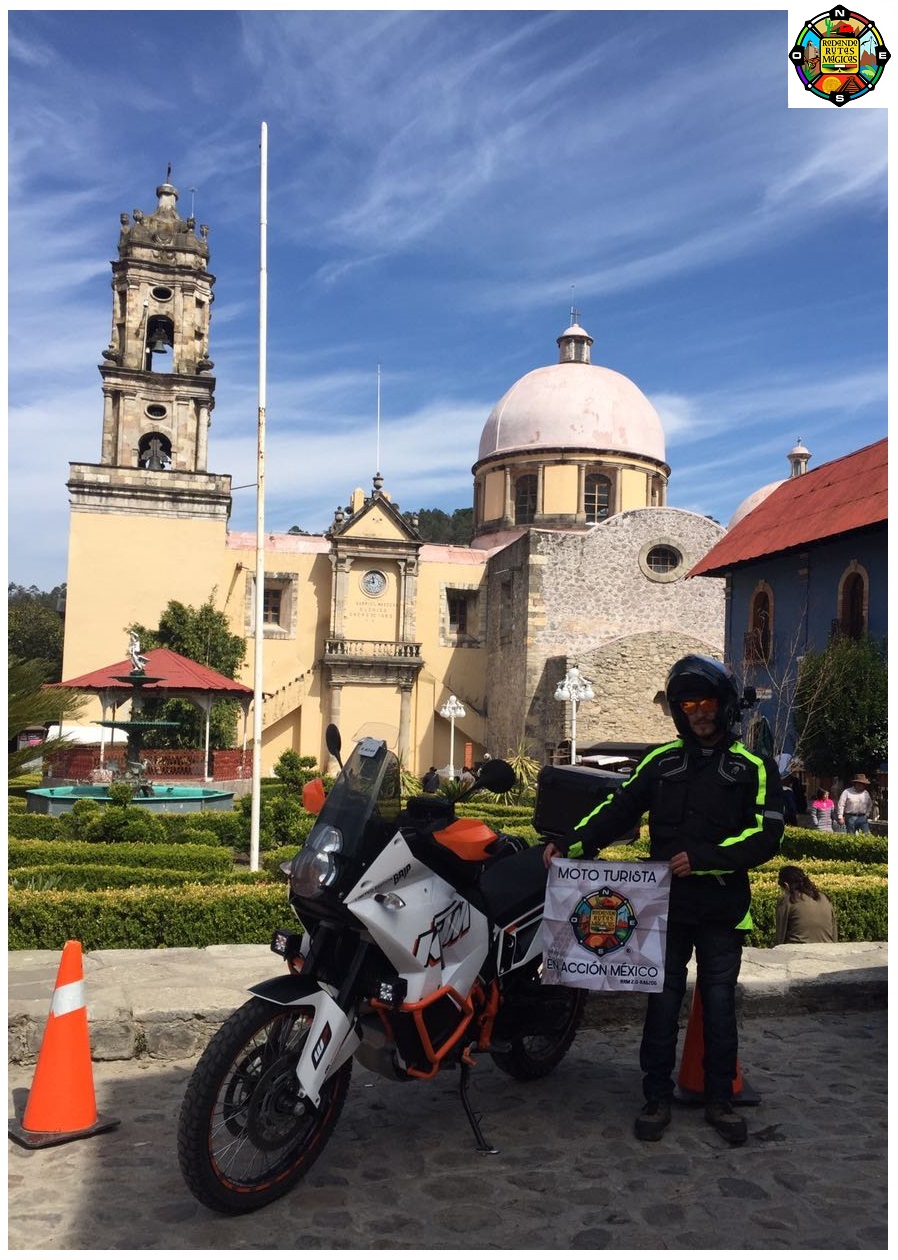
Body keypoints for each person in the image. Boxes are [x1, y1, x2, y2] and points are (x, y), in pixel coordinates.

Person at [543, 654, 784, 1146]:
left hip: (722, 911)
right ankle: (656, 1096)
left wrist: (704, 858)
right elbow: (618, 807)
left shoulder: (752, 767)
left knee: (718, 1005)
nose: (699, 712)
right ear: (678, 710)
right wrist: (572, 843)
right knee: (661, 1003)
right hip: (664, 909)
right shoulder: (660, 762)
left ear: (723, 707)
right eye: (689, 703)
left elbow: (766, 837)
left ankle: (719, 1098)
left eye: (707, 702)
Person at [775, 866, 838, 943]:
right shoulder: (824, 897)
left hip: (797, 951)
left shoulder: (788, 900)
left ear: (786, 885)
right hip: (827, 949)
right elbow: (834, 934)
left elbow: (780, 937)